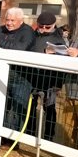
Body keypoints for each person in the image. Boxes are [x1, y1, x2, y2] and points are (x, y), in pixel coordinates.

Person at [0, 7, 36, 146]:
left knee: (17, 109)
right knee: (3, 106)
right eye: (7, 20)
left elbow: (20, 48)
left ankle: (13, 141)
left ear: (21, 20)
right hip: (3, 75)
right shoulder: (1, 29)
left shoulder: (27, 32)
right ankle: (2, 136)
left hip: (22, 77)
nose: (9, 23)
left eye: (13, 20)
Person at [27, 12, 68, 141]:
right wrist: (43, 52)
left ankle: (49, 136)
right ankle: (29, 132)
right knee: (30, 107)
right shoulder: (32, 35)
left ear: (54, 25)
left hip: (50, 81)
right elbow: (25, 50)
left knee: (49, 109)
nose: (43, 29)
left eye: (47, 27)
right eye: (41, 26)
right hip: (32, 78)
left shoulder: (59, 40)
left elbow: (63, 65)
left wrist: (58, 84)